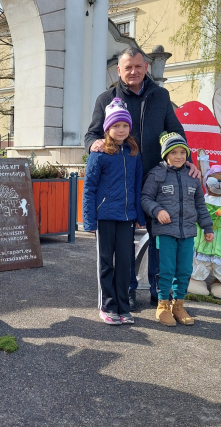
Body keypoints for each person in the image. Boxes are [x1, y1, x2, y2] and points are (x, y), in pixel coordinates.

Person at [84, 46, 199, 310]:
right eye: (128, 68)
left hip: (158, 180)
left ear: (145, 67)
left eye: (138, 66)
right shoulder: (106, 98)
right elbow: (91, 135)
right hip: (123, 183)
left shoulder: (160, 96)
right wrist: (94, 144)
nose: (133, 72)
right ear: (119, 71)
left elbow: (175, 132)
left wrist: (189, 162)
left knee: (161, 236)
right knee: (125, 244)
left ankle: (160, 291)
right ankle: (128, 290)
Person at [83, 98, 146, 325]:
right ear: (108, 128)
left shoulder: (133, 153)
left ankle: (123, 306)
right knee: (106, 262)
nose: (121, 130)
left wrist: (139, 215)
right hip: (105, 217)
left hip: (127, 217)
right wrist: (89, 220)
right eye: (116, 126)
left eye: (125, 126)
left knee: (124, 263)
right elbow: (89, 188)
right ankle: (108, 306)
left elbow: (137, 186)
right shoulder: (99, 154)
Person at [141, 132, 214, 326]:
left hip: (188, 232)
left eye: (183, 152)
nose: (180, 156)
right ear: (166, 154)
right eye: (174, 152)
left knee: (184, 270)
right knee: (166, 270)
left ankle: (178, 305)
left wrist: (207, 227)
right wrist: (157, 211)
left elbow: (200, 205)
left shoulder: (192, 177)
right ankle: (162, 306)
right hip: (165, 232)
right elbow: (145, 198)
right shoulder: (157, 174)